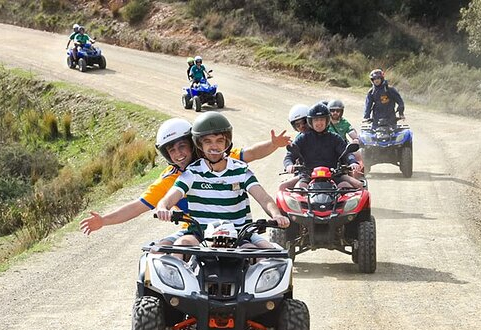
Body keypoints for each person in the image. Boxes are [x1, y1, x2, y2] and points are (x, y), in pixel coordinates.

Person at [79, 117, 290, 243]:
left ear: (193, 143)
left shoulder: (219, 158)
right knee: (156, 258)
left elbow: (250, 154)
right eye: (171, 150)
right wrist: (104, 220)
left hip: (233, 231)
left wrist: (273, 145)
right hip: (196, 232)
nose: (178, 154)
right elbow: (139, 206)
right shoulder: (171, 178)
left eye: (182, 146)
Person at [155, 112, 289, 248]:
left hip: (239, 235)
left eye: (219, 140)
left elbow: (264, 198)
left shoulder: (241, 171)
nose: (214, 146)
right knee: (176, 247)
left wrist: (276, 215)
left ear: (227, 142)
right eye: (208, 141)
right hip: (200, 235)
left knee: (266, 256)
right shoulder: (191, 173)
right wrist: (162, 208)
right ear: (199, 145)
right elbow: (169, 199)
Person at [279, 103, 362, 191]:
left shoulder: (335, 138)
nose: (319, 123)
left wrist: (352, 162)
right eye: (316, 120)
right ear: (311, 122)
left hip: (334, 174)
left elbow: (347, 153)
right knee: (287, 187)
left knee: (358, 186)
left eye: (322, 119)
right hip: (307, 175)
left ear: (327, 120)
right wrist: (289, 165)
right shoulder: (302, 138)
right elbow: (289, 156)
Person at [327, 99, 364, 172]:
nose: (335, 113)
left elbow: (353, 135)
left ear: (341, 112)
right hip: (327, 147)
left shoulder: (345, 123)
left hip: (343, 148)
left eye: (337, 111)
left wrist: (355, 140)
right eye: (332, 110)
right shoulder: (324, 122)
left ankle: (357, 177)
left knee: (357, 156)